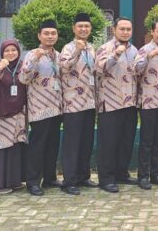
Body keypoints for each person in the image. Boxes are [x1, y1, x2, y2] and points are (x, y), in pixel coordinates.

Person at [94, 17, 140, 193]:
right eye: (122, 29)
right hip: (110, 103)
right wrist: (116, 55)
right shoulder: (105, 48)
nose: (126, 32)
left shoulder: (134, 50)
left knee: (126, 141)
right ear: (114, 30)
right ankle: (106, 179)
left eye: (128, 29)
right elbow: (99, 69)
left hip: (130, 102)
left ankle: (122, 173)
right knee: (109, 143)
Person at [20, 19, 64, 196]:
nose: (50, 36)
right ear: (39, 36)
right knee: (38, 145)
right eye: (46, 33)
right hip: (39, 108)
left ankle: (50, 177)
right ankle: (32, 181)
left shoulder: (58, 56)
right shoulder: (32, 54)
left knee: (53, 144)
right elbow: (23, 79)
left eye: (53, 33)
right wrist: (35, 60)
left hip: (56, 107)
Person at [58, 13, 98, 195]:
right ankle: (69, 181)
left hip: (89, 102)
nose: (83, 29)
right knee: (72, 144)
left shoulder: (91, 48)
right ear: (74, 28)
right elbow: (64, 67)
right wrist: (77, 51)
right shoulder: (68, 48)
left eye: (86, 26)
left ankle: (83, 176)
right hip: (73, 104)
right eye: (80, 26)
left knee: (86, 142)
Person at [0, 40, 27, 194]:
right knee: (0, 148)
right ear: (2, 53)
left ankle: (14, 181)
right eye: (7, 50)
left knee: (15, 147)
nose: (10, 53)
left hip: (18, 114)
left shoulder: (22, 67)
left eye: (14, 50)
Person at [134, 19, 158, 190]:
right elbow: (136, 70)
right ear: (152, 32)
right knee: (147, 141)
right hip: (148, 102)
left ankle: (155, 174)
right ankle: (143, 176)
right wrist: (148, 57)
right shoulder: (144, 50)